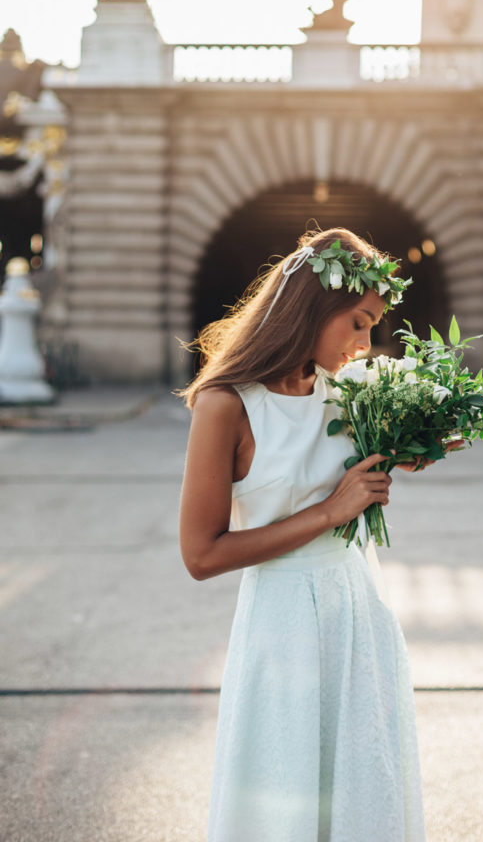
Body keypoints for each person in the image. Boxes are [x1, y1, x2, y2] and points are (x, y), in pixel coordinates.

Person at [177, 226, 426, 842]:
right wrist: (328, 512)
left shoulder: (348, 392)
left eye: (373, 327)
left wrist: (418, 442)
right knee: (282, 802)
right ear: (313, 307)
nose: (367, 345)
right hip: (281, 627)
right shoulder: (226, 404)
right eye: (359, 323)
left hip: (359, 611)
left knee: (364, 794)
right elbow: (201, 554)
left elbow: (376, 462)